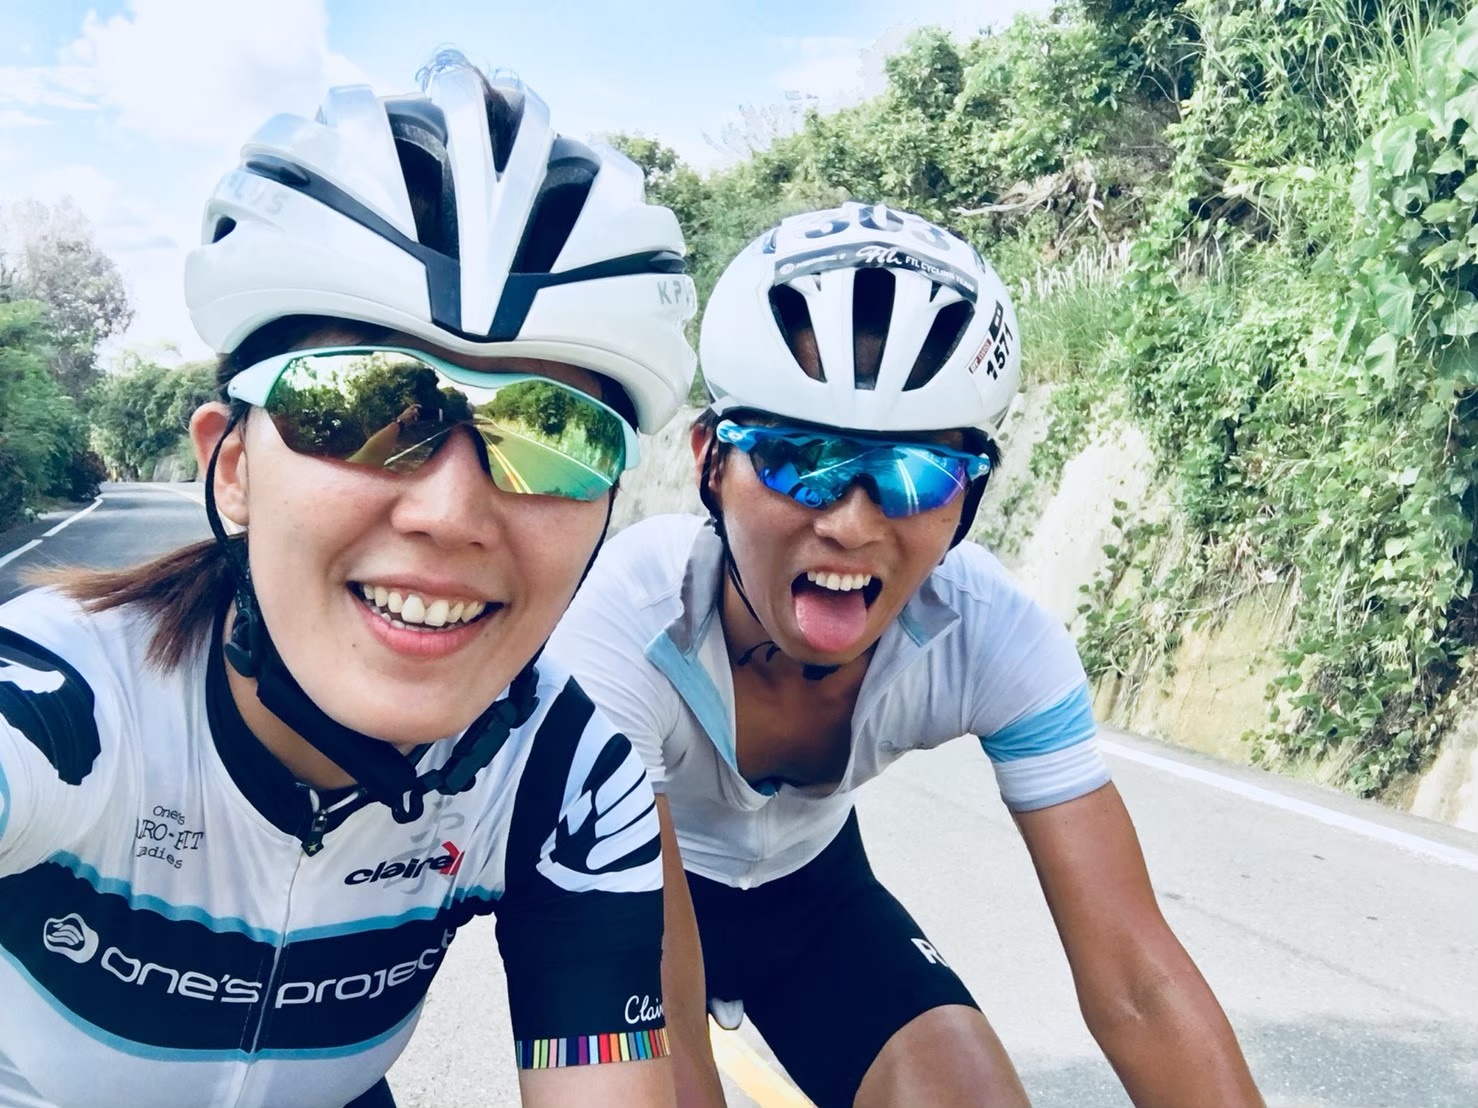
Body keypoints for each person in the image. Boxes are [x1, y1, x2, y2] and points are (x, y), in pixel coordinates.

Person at [0, 54, 698, 1108]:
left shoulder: (567, 775)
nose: (450, 512)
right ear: (233, 469)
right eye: (362, 408)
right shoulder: (61, 703)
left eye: (551, 438)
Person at [549, 202, 1267, 1108]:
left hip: (814, 897)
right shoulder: (629, 621)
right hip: (644, 895)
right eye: (798, 458)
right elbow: (666, 1019)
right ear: (710, 465)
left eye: (915, 473)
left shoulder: (990, 632)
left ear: (969, 499)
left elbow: (1137, 984)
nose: (852, 525)